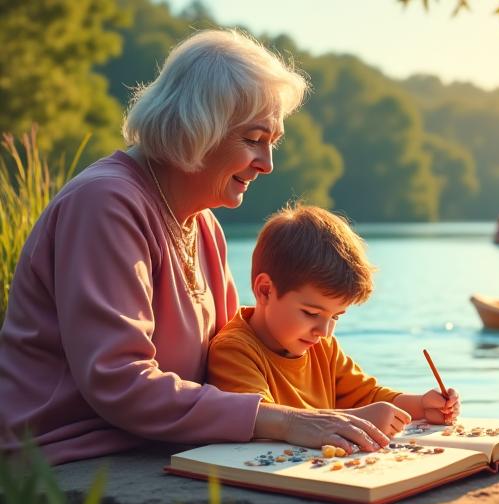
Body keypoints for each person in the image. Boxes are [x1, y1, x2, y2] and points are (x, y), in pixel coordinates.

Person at [0, 30, 389, 466]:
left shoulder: (204, 225)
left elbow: (230, 363)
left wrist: (342, 415)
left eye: (272, 142)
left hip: (161, 448)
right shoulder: (104, 204)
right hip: (67, 457)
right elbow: (118, 381)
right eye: (253, 139)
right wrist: (287, 421)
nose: (267, 163)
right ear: (197, 127)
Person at [207, 205, 460, 451]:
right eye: (311, 313)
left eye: (336, 317)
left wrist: (423, 406)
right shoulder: (234, 351)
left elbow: (369, 397)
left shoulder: (322, 347)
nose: (325, 331)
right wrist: (361, 418)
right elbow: (262, 421)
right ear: (265, 290)